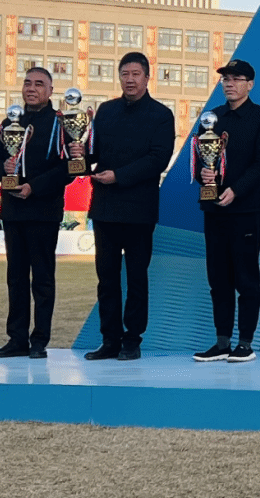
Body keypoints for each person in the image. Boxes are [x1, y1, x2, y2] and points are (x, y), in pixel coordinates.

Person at [78, 52, 175, 361]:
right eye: (125, 74)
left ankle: (132, 340)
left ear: (147, 77)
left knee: (136, 278)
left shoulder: (161, 115)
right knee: (106, 279)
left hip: (138, 211)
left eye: (136, 74)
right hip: (105, 208)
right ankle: (110, 340)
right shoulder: (106, 111)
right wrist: (79, 151)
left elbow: (158, 159)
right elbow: (93, 154)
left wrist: (118, 176)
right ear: (119, 77)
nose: (130, 80)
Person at [192, 60, 260, 364]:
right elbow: (200, 159)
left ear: (249, 84)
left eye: (236, 79)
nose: (229, 84)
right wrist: (204, 175)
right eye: (225, 79)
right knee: (218, 279)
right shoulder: (212, 118)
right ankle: (222, 342)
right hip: (214, 209)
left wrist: (236, 190)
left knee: (246, 278)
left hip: (245, 210)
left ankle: (245, 343)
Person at [0, 68, 72, 359]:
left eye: (39, 84)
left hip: (44, 211)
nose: (31, 88)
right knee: (15, 278)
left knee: (43, 279)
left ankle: (39, 341)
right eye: (27, 83)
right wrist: (3, 170)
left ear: (50, 91)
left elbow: (68, 169)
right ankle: (16, 339)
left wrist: (33, 187)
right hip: (13, 211)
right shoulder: (9, 123)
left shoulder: (61, 125)